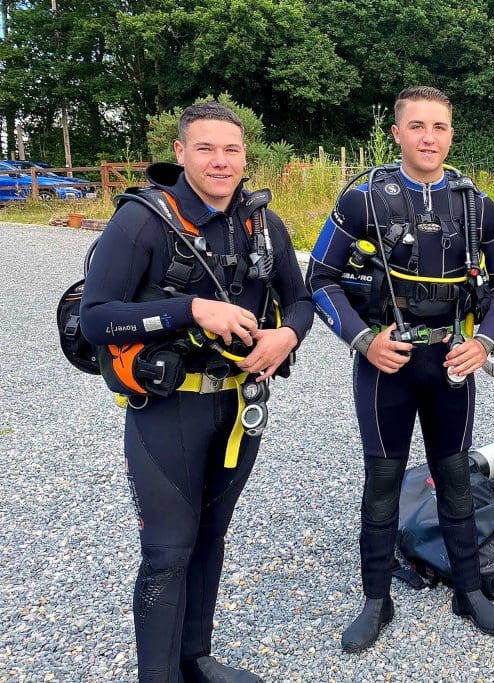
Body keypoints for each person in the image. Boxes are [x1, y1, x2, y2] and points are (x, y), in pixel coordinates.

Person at [80, 102, 313, 682]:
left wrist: (285, 335)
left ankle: (196, 659)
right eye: (205, 148)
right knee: (167, 552)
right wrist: (190, 309)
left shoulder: (263, 224)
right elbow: (94, 318)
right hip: (168, 409)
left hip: (237, 405)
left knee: (212, 535)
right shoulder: (141, 220)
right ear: (180, 153)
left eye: (231, 150)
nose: (220, 161)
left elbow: (302, 299)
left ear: (245, 157)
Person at [306, 86, 494, 652]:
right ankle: (377, 597)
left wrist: (486, 343)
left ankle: (469, 590)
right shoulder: (365, 201)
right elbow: (320, 279)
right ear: (396, 132)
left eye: (440, 127)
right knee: (381, 482)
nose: (429, 137)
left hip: (451, 360)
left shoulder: (476, 205)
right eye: (417, 126)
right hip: (386, 362)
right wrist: (362, 340)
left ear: (452, 134)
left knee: (454, 479)